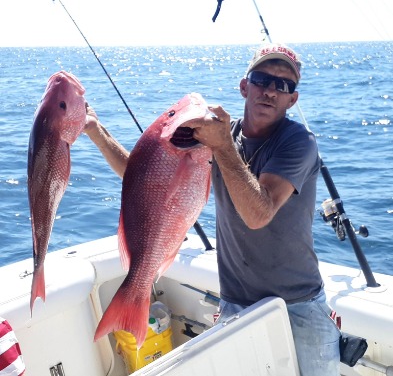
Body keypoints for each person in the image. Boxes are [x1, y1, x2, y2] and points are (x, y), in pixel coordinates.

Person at [84, 42, 341, 375]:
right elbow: (149, 181)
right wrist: (96, 131)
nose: (271, 91)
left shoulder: (298, 142)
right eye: (262, 79)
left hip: (300, 302)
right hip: (235, 301)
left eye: (284, 85)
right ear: (244, 86)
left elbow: (258, 214)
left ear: (293, 99)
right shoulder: (217, 137)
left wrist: (222, 146)